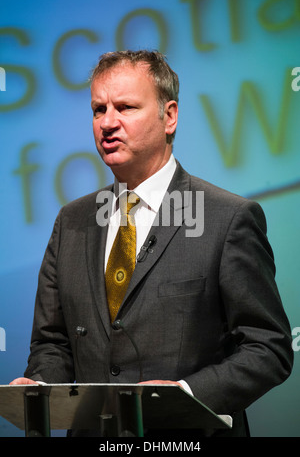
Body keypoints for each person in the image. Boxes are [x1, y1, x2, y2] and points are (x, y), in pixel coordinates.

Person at [11, 50, 293, 437]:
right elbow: (52, 342)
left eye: (125, 107)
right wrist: (40, 386)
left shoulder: (227, 219)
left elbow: (268, 349)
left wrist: (186, 394)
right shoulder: (71, 222)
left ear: (170, 116)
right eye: (98, 110)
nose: (108, 123)